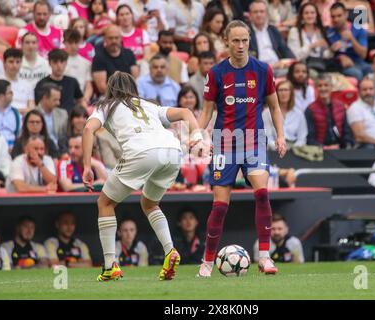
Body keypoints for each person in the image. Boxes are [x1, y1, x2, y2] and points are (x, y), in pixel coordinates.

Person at [82, 71, 204, 281]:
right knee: (149, 203)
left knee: (105, 203)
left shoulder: (106, 106)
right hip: (172, 152)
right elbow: (186, 112)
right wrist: (196, 136)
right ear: (133, 88)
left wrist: (86, 166)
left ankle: (110, 265)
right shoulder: (149, 105)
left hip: (141, 152)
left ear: (110, 89)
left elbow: (87, 129)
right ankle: (169, 251)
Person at [197, 20, 287, 277]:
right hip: (224, 142)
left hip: (254, 141)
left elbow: (275, 107)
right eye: (235, 40)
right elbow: (206, 112)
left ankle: (265, 257)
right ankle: (207, 261)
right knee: (220, 206)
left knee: (262, 193)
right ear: (226, 41)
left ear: (250, 41)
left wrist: (280, 136)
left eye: (244, 40)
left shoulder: (262, 70)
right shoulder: (216, 73)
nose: (240, 45)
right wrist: (196, 135)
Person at [305, 73, 353, 149]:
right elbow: (310, 137)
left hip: (340, 149)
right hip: (320, 150)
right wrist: (325, 148)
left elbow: (347, 132)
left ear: (331, 87)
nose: (323, 88)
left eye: (326, 85)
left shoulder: (341, 106)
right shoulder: (310, 109)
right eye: (320, 86)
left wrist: (346, 145)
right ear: (316, 88)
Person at [249, 0, 296, 77]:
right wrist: (272, 66)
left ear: (266, 14)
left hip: (279, 67)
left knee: (297, 72)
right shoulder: (246, 32)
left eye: (262, 11)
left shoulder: (272, 30)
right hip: (259, 70)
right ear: (250, 15)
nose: (259, 15)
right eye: (255, 12)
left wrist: (293, 62)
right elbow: (249, 59)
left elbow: (285, 49)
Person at [327, 1, 371, 81]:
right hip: (342, 65)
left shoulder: (358, 29)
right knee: (357, 74)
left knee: (372, 71)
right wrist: (335, 53)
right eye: (333, 17)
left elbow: (363, 55)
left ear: (346, 14)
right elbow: (325, 55)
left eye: (339, 16)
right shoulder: (329, 33)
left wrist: (352, 39)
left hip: (359, 62)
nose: (336, 19)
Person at [92, 24, 139, 96]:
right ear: (105, 39)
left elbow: (135, 79)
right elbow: (102, 87)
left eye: (116, 38)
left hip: (130, 95)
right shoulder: (98, 58)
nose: (114, 41)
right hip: (108, 97)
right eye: (110, 38)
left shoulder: (129, 53)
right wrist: (121, 97)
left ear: (121, 38)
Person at [35, 49, 85, 114]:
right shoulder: (42, 84)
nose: (59, 65)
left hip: (70, 119)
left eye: (62, 62)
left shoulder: (72, 82)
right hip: (50, 118)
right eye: (55, 62)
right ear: (50, 63)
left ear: (66, 63)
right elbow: (39, 105)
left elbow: (81, 100)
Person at [263, 79, 307, 149]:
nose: (283, 93)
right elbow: (267, 137)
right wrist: (279, 148)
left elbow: (302, 138)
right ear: (276, 93)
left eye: (286, 90)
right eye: (280, 90)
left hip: (294, 149)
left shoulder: (299, 114)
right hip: (274, 149)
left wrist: (292, 149)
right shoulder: (266, 113)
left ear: (291, 93)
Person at [287, 2, 332, 70]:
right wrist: (311, 46)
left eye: (312, 13)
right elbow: (295, 56)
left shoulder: (321, 31)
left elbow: (326, 55)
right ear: (302, 16)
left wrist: (330, 49)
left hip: (320, 65)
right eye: (306, 13)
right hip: (302, 68)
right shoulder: (294, 31)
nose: (310, 15)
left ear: (316, 15)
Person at [0, 48, 34, 115]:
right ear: (4, 63)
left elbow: (31, 107)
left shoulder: (27, 84)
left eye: (18, 62)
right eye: (11, 62)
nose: (14, 65)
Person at [0, 79, 21, 149]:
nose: (12, 94)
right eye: (10, 92)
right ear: (1, 96)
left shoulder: (15, 113)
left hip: (13, 149)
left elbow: (19, 134)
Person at [63, 28, 94, 104]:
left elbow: (88, 86)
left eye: (76, 42)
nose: (73, 46)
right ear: (64, 43)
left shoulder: (86, 63)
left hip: (81, 100)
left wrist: (85, 99)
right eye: (70, 43)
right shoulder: (59, 61)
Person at [35, 83, 67, 152]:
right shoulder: (33, 114)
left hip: (61, 150)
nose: (58, 103)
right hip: (43, 150)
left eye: (59, 99)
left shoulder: (63, 114)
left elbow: (67, 136)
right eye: (55, 100)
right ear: (45, 98)